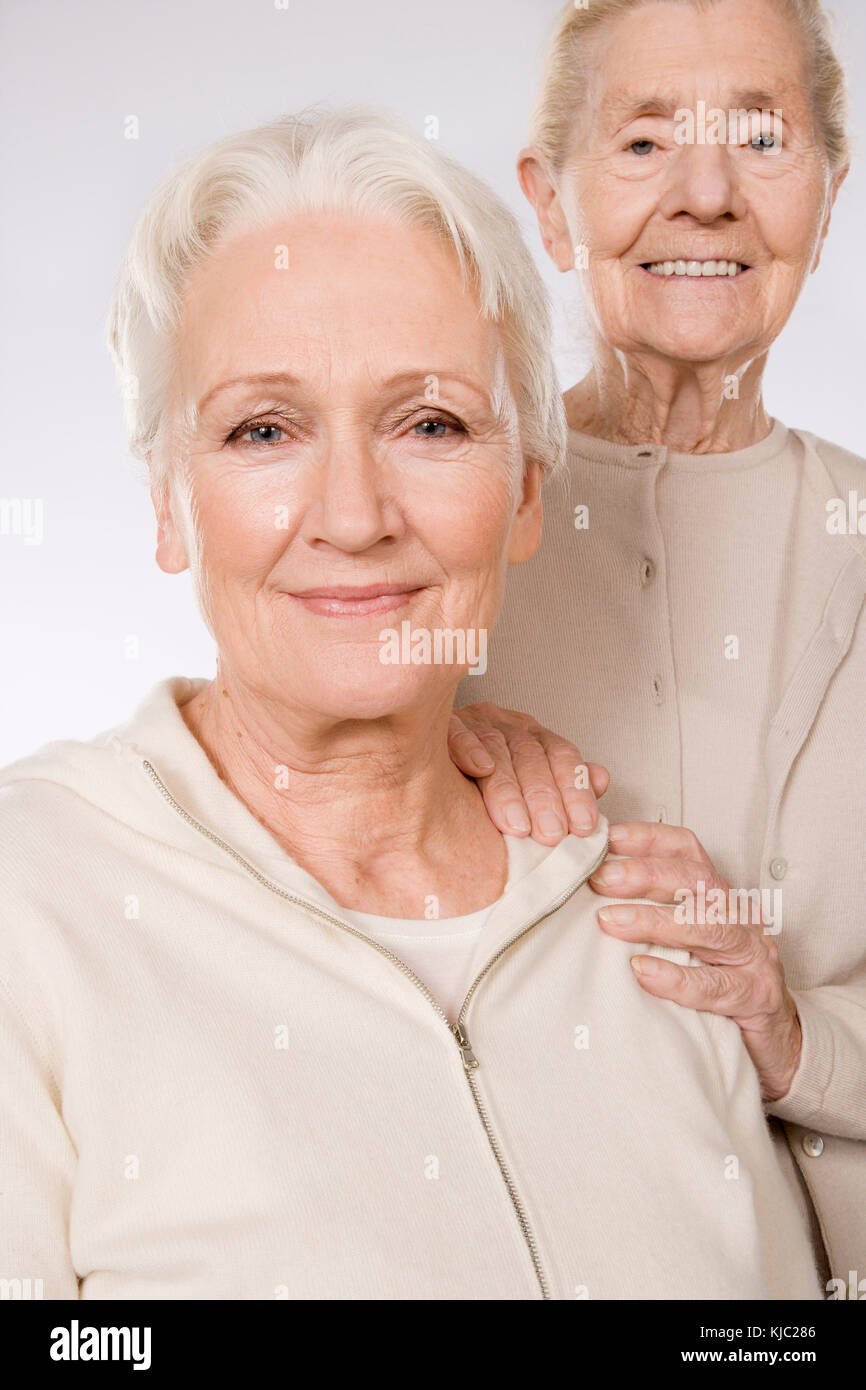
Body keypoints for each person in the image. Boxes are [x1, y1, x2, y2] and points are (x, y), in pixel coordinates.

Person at [0, 109, 820, 1299]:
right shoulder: (31, 903)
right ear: (170, 506)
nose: (352, 513)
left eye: (429, 423)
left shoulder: (649, 919)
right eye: (262, 430)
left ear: (527, 492)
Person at [450, 0, 865, 1283]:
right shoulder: (426, 538)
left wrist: (788, 1025)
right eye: (641, 143)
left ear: (827, 187)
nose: (705, 195)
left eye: (758, 135)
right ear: (551, 204)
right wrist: (412, 723)